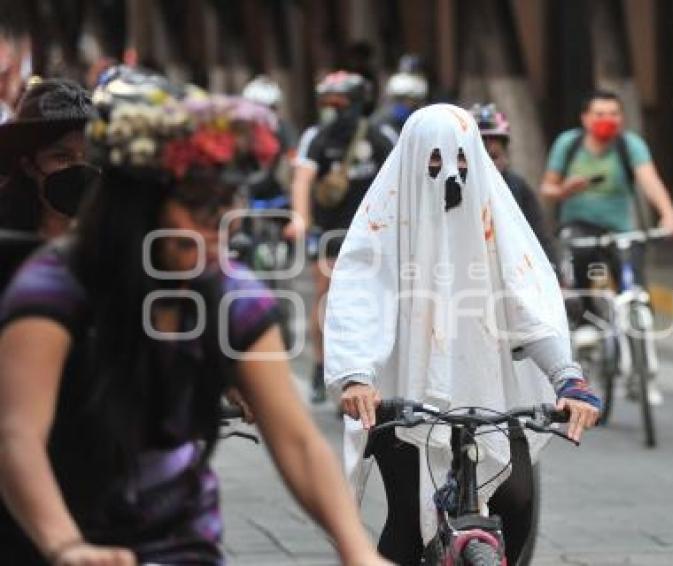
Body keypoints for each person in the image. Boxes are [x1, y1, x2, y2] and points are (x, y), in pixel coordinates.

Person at [0, 85, 388, 566]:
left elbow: (300, 441)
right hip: (52, 536)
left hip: (181, 543)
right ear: (140, 206)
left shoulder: (231, 293)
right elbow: (17, 433)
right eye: (200, 207)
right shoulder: (54, 286)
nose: (217, 227)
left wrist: (357, 549)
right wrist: (67, 547)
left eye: (226, 207)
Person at [323, 104, 601, 565]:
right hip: (401, 397)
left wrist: (568, 378)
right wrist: (356, 376)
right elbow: (358, 298)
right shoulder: (381, 222)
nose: (450, 175)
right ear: (412, 159)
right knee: (408, 523)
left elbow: (528, 304)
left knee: (516, 499)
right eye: (434, 162)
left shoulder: (498, 223)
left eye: (462, 161)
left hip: (491, 392)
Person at [540, 90, 673, 405]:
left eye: (614, 113)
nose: (607, 120)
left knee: (635, 292)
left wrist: (669, 214)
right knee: (580, 277)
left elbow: (650, 181)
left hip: (621, 229)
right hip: (578, 227)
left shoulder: (629, 145)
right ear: (585, 118)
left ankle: (641, 372)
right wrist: (564, 190)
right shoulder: (569, 144)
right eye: (600, 114)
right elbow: (546, 188)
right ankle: (586, 331)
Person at [287, 70, 395, 403]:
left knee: (382, 301)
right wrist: (300, 219)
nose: (333, 111)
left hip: (374, 236)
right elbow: (302, 179)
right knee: (326, 299)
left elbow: (399, 179)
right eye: (327, 104)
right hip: (332, 232)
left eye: (340, 104)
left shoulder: (382, 136)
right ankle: (322, 368)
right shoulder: (316, 137)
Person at [0, 77, 99, 293]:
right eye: (62, 157)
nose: (80, 167)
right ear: (28, 166)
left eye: (90, 156)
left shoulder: (115, 234)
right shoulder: (5, 238)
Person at [469, 102, 557, 269]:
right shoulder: (451, 187)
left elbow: (538, 233)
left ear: (505, 156)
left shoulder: (517, 187)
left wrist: (553, 271)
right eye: (479, 155)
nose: (486, 164)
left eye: (493, 156)